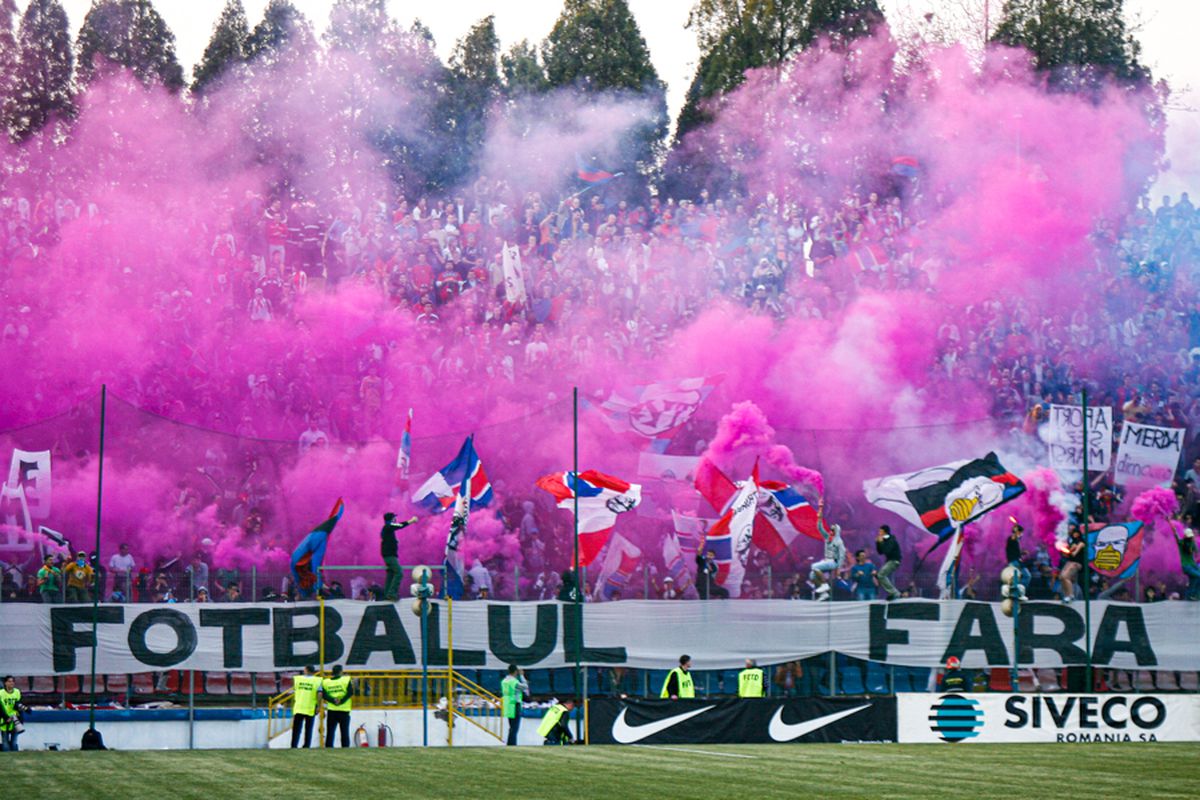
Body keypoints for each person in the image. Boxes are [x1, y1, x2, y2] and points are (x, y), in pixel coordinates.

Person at [380, 512, 417, 601]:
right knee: (399, 573)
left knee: (391, 574)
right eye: (394, 518)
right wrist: (411, 521)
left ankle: (387, 593)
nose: (395, 519)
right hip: (390, 556)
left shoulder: (387, 529)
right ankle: (392, 593)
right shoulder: (388, 527)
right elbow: (399, 525)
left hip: (389, 555)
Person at [322, 664, 354, 748]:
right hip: (344, 709)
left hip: (332, 709)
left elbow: (324, 695)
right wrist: (341, 701)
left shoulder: (326, 682)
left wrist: (333, 700)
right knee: (344, 731)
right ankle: (345, 749)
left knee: (330, 731)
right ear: (341, 671)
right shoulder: (346, 680)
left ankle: (328, 748)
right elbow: (350, 692)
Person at [290, 665, 321, 748]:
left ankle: (294, 745)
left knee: (296, 729)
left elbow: (294, 688)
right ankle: (306, 745)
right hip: (310, 708)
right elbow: (319, 693)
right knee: (308, 729)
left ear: (306, 670)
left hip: (299, 707)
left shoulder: (298, 679)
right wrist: (318, 706)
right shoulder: (318, 680)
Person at [501, 664, 529, 746]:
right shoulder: (514, 681)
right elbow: (525, 686)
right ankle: (512, 744)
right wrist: (522, 676)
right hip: (515, 704)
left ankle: (510, 743)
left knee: (511, 726)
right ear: (516, 671)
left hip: (508, 705)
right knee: (515, 727)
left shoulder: (504, 681)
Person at [1059, 527, 1086, 603]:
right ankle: (1066, 595)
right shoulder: (1072, 543)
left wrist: (1070, 550)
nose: (1074, 534)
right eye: (1073, 533)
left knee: (1065, 577)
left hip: (1076, 563)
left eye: (1076, 533)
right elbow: (1068, 555)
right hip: (1070, 562)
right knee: (1061, 577)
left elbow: (1074, 553)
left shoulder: (1081, 543)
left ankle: (1071, 595)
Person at [875, 525, 902, 601]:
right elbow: (880, 552)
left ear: (884, 532)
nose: (879, 533)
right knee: (881, 575)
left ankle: (894, 592)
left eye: (880, 531)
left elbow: (887, 550)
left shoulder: (891, 539)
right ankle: (893, 592)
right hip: (890, 560)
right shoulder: (885, 540)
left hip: (894, 560)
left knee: (881, 574)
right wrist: (878, 543)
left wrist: (881, 542)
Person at [0, 675, 24, 751]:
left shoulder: (17, 692)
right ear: (5, 683)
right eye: (9, 681)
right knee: (5, 743)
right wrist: (6, 717)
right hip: (4, 720)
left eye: (13, 681)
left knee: (14, 742)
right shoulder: (1, 693)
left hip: (15, 720)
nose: (11, 683)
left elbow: (20, 704)